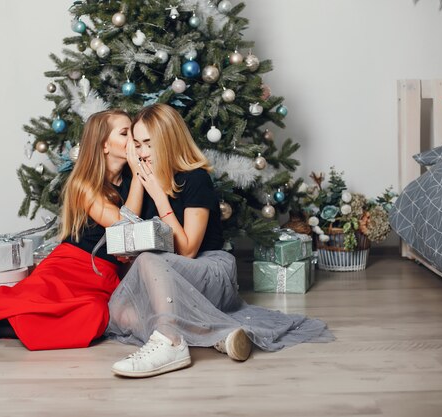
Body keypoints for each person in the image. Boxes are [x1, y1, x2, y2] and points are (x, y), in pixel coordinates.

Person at [106, 103, 333, 378]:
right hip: (168, 273)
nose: (142, 153)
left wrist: (160, 196)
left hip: (209, 268)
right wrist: (141, 193)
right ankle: (213, 333)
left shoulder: (195, 178)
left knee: (149, 261)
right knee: (119, 313)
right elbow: (131, 228)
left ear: (167, 142)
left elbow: (188, 249)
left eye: (149, 145)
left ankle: (172, 342)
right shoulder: (143, 177)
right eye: (137, 145)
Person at [0, 109, 144, 350]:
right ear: (104, 145)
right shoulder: (85, 185)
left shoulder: (130, 182)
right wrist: (138, 176)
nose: (133, 140)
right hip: (71, 265)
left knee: (95, 315)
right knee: (37, 302)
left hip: (103, 275)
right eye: (125, 133)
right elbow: (125, 228)